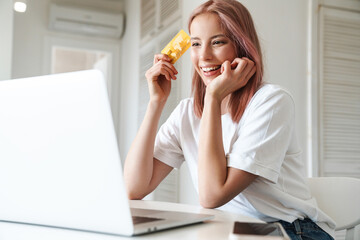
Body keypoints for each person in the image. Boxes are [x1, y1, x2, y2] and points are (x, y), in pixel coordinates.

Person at [124, 0, 335, 239]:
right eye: (195, 43)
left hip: (289, 230)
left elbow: (212, 195)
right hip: (230, 229)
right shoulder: (186, 112)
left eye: (217, 42)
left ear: (242, 46)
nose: (203, 55)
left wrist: (213, 97)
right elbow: (133, 189)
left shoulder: (272, 102)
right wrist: (156, 103)